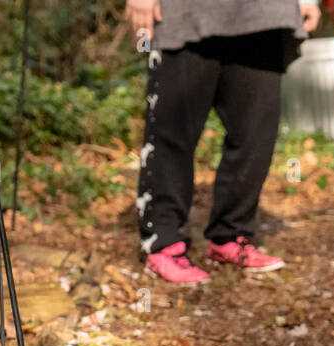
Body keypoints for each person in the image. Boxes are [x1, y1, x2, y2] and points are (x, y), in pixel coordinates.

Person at [125, 0, 322, 284]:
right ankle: (161, 240)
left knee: (256, 134)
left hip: (265, 13)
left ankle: (231, 235)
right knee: (173, 132)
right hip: (183, 13)